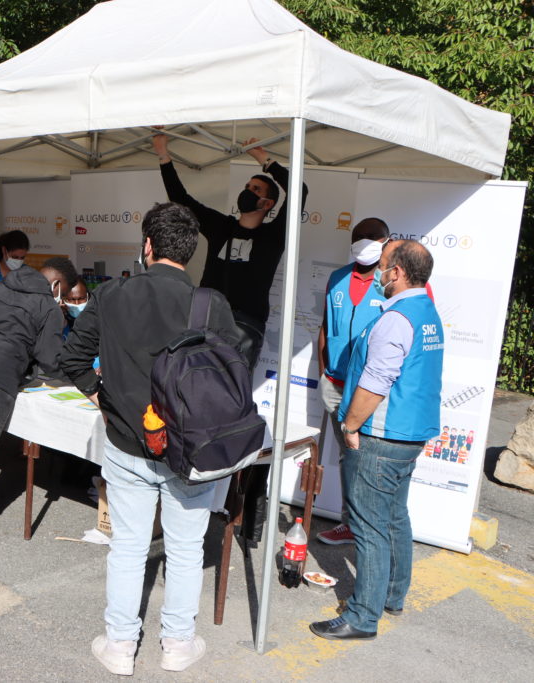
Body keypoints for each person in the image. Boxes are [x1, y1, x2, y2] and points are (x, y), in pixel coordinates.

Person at [60, 202, 242, 675]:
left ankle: (120, 645)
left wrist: (101, 398)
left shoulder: (112, 295)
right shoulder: (210, 303)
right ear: (191, 252)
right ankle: (177, 645)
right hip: (191, 448)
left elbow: (73, 358)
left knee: (128, 547)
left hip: (126, 443)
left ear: (147, 246)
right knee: (184, 550)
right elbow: (234, 374)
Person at [154, 133, 309, 546]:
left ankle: (241, 501)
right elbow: (180, 199)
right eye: (249, 186)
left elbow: (302, 192)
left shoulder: (274, 235)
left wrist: (266, 160)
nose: (248, 191)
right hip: (205, 317)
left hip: (245, 326)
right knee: (188, 392)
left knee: (230, 400)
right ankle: (185, 476)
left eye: (257, 190)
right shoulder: (221, 226)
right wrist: (164, 155)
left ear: (268, 204)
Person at [310, 239, 444, 641]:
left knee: (368, 527)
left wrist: (349, 426)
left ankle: (362, 616)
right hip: (408, 436)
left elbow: (375, 383)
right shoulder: (426, 312)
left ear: (397, 273)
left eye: (382, 266)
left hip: (382, 435)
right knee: (394, 517)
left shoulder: (396, 319)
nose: (376, 275)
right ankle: (391, 596)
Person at [0, 256, 78, 539]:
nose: (63, 300)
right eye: (65, 293)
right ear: (56, 284)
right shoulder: (47, 305)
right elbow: (50, 359)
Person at [315, 218, 390, 546]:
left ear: (386, 241)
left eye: (372, 237)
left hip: (369, 391)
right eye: (359, 237)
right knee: (348, 457)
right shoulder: (338, 278)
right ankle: (349, 524)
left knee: (370, 459)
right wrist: (323, 371)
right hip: (335, 385)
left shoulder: (389, 283)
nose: (364, 242)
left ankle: (371, 530)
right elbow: (324, 326)